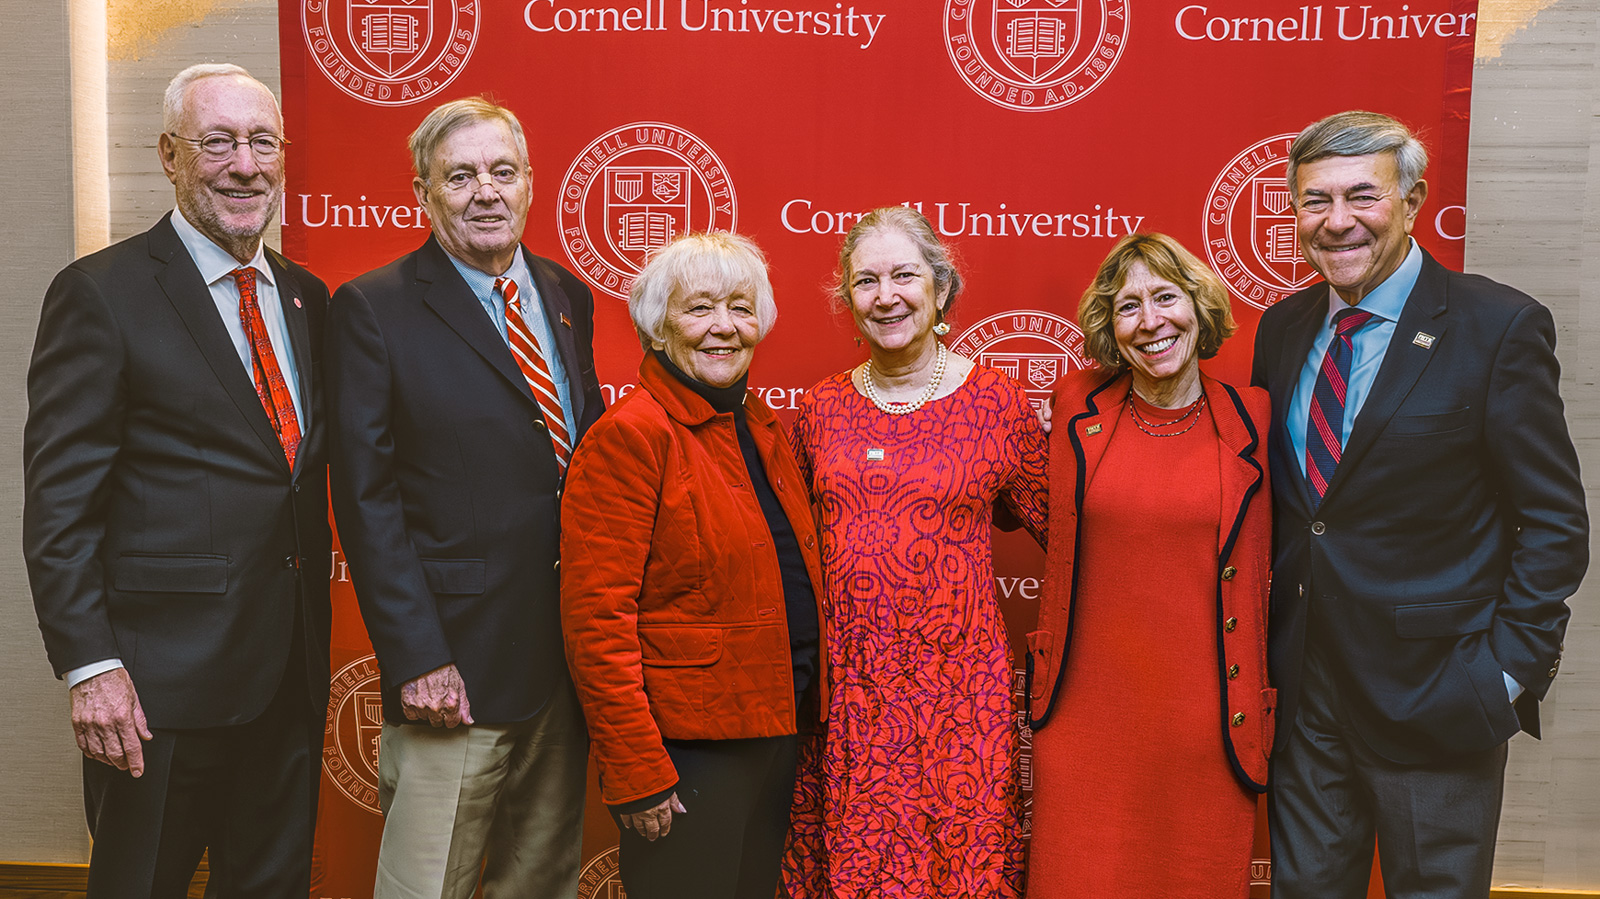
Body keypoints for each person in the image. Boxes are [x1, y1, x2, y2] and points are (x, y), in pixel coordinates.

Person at [1252, 110, 1588, 898]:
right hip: (1307, 701)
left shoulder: (1497, 325)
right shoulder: (1282, 328)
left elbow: (1553, 521)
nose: (1337, 222)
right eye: (1314, 201)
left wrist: (1505, 673)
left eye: (1361, 196)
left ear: (1413, 201)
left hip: (1439, 694)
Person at [22, 63, 331, 896]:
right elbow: (60, 505)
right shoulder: (102, 293)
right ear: (169, 155)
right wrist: (92, 668)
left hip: (286, 683)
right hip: (155, 696)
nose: (245, 165)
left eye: (263, 142)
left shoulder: (305, 298)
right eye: (218, 142)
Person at [326, 97, 603, 899]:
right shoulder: (373, 308)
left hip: (563, 658)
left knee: (539, 880)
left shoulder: (564, 295)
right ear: (423, 192)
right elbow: (368, 499)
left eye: (502, 171)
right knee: (427, 884)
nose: (485, 190)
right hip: (455, 668)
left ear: (529, 184)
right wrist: (418, 656)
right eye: (460, 175)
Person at [782, 206, 1048, 899]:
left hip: (960, 695)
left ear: (939, 287)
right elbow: (783, 550)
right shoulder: (819, 410)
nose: (886, 295)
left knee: (958, 867)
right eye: (865, 281)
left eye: (904, 275)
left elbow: (1071, 532)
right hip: (849, 696)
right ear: (848, 299)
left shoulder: (1000, 404)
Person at [561, 232, 826, 899]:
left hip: (773, 732)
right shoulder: (632, 435)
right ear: (657, 327)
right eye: (699, 308)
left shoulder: (761, 428)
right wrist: (636, 768)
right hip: (687, 752)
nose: (723, 327)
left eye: (740, 308)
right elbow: (597, 619)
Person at [1024, 233, 1272, 897]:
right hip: (1084, 720)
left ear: (1199, 304)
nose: (1151, 320)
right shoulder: (1075, 404)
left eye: (1166, 296)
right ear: (1111, 327)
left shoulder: (1255, 418)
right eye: (1128, 307)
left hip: (1208, 727)